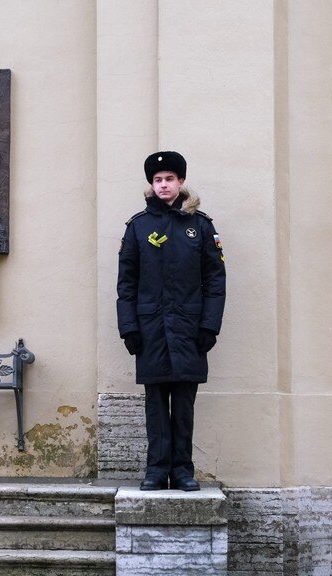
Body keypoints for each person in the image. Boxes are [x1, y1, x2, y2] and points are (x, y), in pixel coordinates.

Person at [116, 151, 226, 491]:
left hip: (189, 331)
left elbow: (215, 281)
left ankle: (181, 470)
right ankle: (155, 469)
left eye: (170, 179)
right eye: (158, 180)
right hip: (150, 332)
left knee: (183, 405)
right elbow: (126, 284)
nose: (164, 185)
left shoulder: (201, 226)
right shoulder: (138, 227)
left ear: (180, 182)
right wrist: (129, 328)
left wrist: (209, 326)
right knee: (155, 404)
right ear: (152, 184)